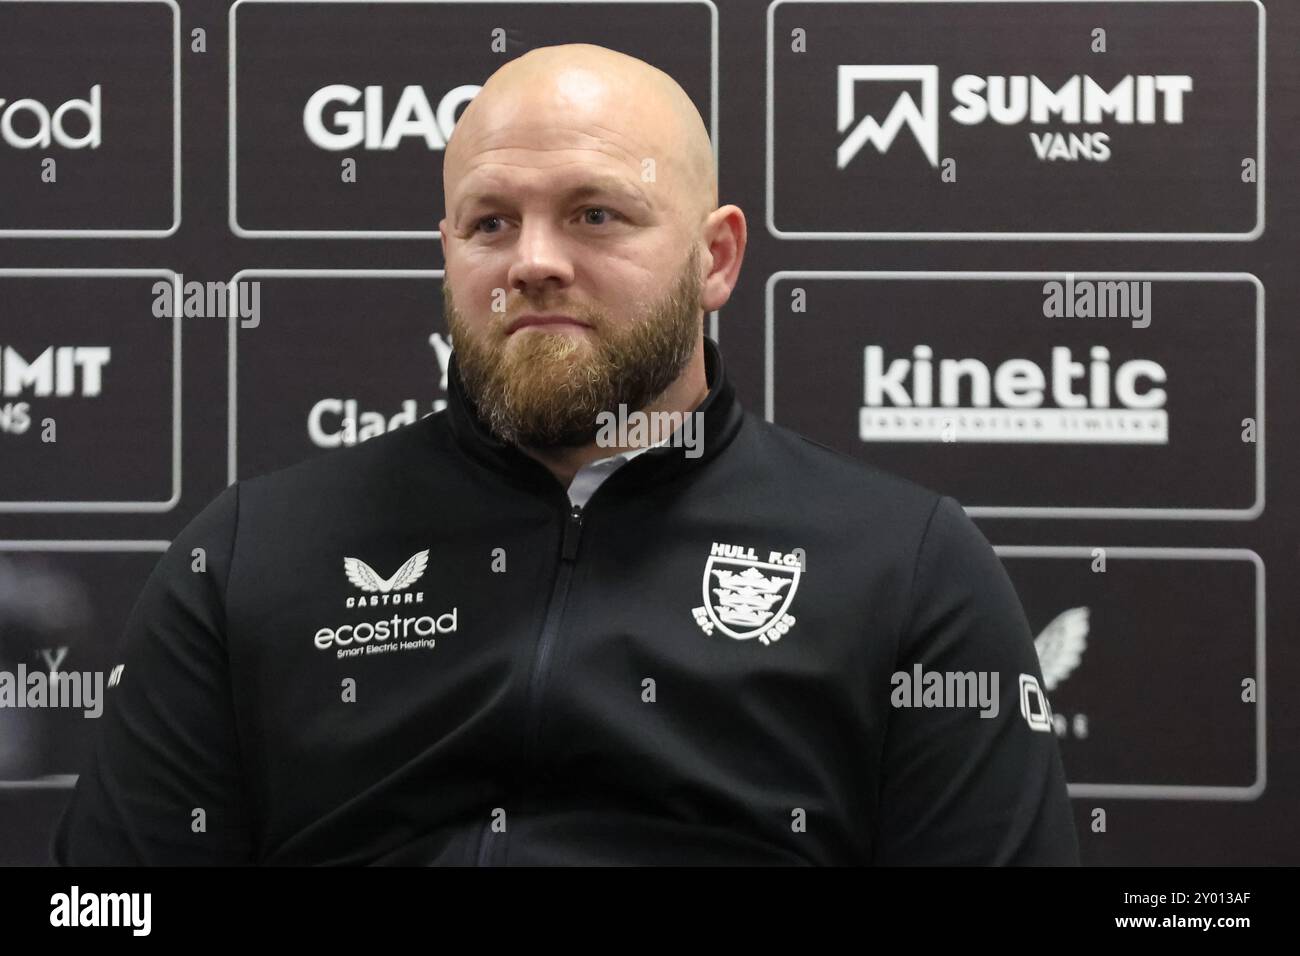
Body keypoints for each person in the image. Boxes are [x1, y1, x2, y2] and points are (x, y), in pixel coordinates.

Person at [52, 43, 1078, 865]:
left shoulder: (903, 564)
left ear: (714, 257)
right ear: (447, 252)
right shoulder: (247, 556)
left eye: (594, 213)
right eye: (490, 221)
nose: (534, 260)